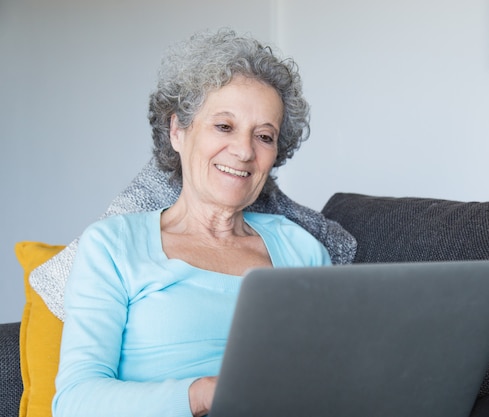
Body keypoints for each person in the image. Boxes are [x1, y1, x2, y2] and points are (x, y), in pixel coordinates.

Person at [52, 28, 331, 417]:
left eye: (264, 136)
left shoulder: (303, 251)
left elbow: (330, 381)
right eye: (224, 126)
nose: (244, 151)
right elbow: (74, 402)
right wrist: (202, 395)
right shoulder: (113, 244)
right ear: (177, 131)